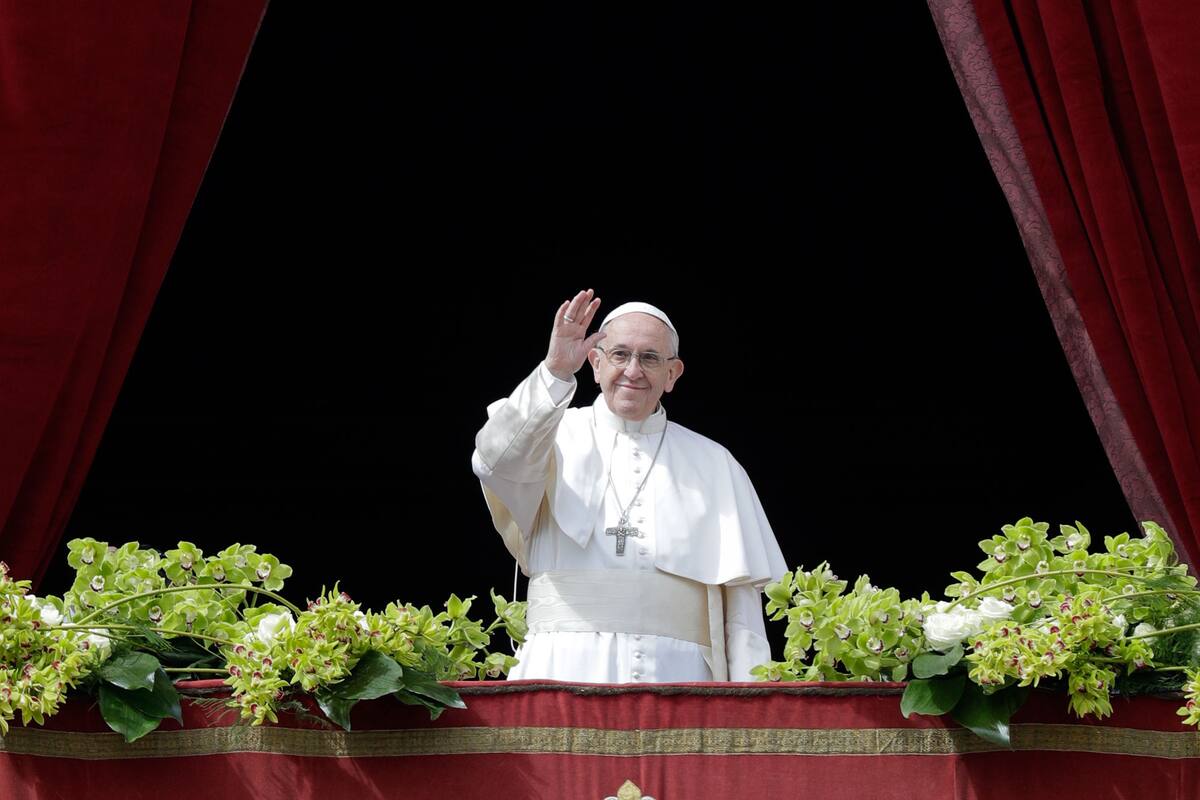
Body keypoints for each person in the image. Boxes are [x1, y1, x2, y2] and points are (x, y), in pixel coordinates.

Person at [471, 288, 787, 682]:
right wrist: (554, 372)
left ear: (672, 374)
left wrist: (749, 710)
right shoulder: (549, 436)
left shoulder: (715, 463)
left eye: (650, 358)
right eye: (619, 354)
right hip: (560, 672)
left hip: (680, 683)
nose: (633, 371)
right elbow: (495, 459)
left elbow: (742, 618)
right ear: (595, 362)